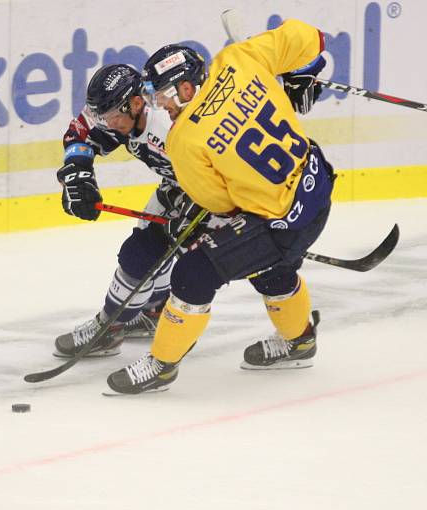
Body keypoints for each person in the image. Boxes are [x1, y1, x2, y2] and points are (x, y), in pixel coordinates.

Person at [106, 19, 334, 394]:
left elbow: (218, 204)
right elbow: (309, 36)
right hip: (318, 189)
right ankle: (300, 341)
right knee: (269, 270)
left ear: (186, 86)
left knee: (193, 274)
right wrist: (301, 74)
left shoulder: (184, 140)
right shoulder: (239, 58)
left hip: (280, 223)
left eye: (163, 95)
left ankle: (162, 365)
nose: (160, 104)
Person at [55, 63, 217, 361]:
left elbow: (225, 166)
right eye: (104, 116)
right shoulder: (124, 113)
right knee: (142, 253)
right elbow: (81, 132)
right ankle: (155, 311)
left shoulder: (171, 125)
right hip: (178, 188)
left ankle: (112, 327)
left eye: (113, 116)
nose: (108, 124)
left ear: (137, 103)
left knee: (144, 256)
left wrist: (205, 208)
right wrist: (78, 173)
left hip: (215, 195)